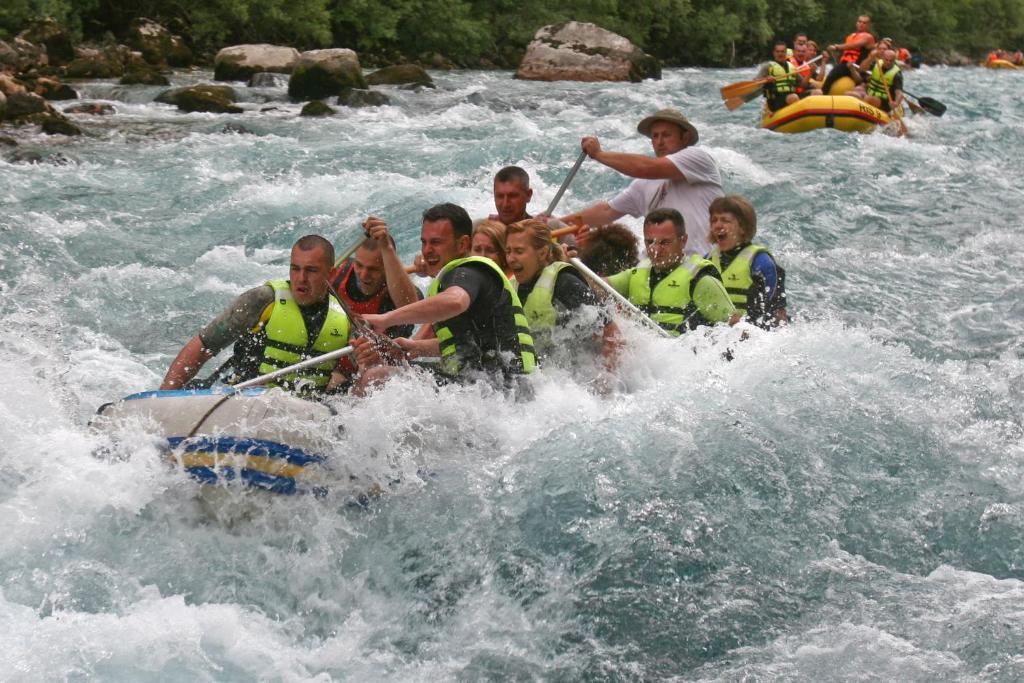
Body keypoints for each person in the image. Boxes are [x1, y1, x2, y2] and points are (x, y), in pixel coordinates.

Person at [355, 203, 535, 395]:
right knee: (376, 372)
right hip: (492, 387)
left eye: (436, 242)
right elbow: (469, 343)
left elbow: (455, 301)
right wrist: (416, 348)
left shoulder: (470, 272)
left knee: (375, 378)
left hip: (503, 389)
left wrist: (386, 319)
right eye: (424, 242)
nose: (427, 250)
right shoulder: (453, 278)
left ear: (463, 244)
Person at [160, 235, 358, 393]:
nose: (301, 278)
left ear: (330, 274)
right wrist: (165, 397)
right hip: (244, 399)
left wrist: (368, 359)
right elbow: (203, 346)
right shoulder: (262, 300)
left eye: (311, 270)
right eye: (295, 269)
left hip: (304, 415)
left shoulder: (345, 318)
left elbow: (368, 369)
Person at [557, 108, 722, 257]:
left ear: (685, 138)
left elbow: (645, 167)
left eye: (666, 135)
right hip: (657, 266)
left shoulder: (698, 158)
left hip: (702, 263)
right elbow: (606, 211)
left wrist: (599, 154)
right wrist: (555, 224)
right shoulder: (643, 184)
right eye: (655, 136)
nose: (659, 141)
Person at [505, 219, 621, 374]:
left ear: (542, 253)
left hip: (575, 373)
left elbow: (612, 333)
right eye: (508, 251)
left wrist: (605, 379)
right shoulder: (512, 285)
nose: (511, 258)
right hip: (545, 373)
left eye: (519, 251)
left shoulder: (565, 283)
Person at [605, 208, 734, 336]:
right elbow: (598, 285)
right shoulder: (637, 273)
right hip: (645, 353)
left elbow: (737, 329)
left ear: (683, 240)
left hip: (683, 354)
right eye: (650, 242)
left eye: (664, 242)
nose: (655, 250)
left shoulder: (701, 279)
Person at [706, 196, 789, 329]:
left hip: (750, 339)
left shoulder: (761, 262)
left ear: (742, 227)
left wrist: (746, 323)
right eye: (713, 220)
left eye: (725, 220)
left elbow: (778, 315)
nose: (717, 225)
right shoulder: (707, 261)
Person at [329, 217, 420, 338]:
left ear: (387, 268)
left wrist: (387, 248)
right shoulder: (337, 273)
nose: (363, 275)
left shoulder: (404, 295)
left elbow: (411, 311)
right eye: (359, 265)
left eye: (373, 269)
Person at [822, 14, 877, 94]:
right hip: (846, 64)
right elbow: (846, 50)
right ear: (856, 23)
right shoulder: (851, 36)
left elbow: (854, 45)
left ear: (868, 25)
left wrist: (836, 47)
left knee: (832, 76)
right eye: (859, 21)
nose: (861, 24)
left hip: (858, 66)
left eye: (864, 23)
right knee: (831, 76)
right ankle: (823, 96)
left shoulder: (868, 37)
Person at [850, 48, 904, 113]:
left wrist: (896, 103)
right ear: (883, 58)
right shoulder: (876, 63)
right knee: (852, 93)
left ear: (894, 60)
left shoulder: (897, 74)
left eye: (891, 61)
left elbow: (899, 93)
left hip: (885, 101)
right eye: (886, 60)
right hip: (870, 93)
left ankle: (857, 112)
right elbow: (861, 69)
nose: (888, 62)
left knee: (868, 99)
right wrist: (870, 58)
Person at [759, 40, 807, 111]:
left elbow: (803, 85)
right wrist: (766, 79)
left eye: (782, 51)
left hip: (791, 96)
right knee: (793, 97)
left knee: (816, 92)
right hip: (775, 100)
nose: (780, 54)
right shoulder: (768, 66)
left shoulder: (791, 67)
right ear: (774, 53)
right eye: (777, 52)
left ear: (786, 53)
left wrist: (811, 71)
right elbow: (755, 81)